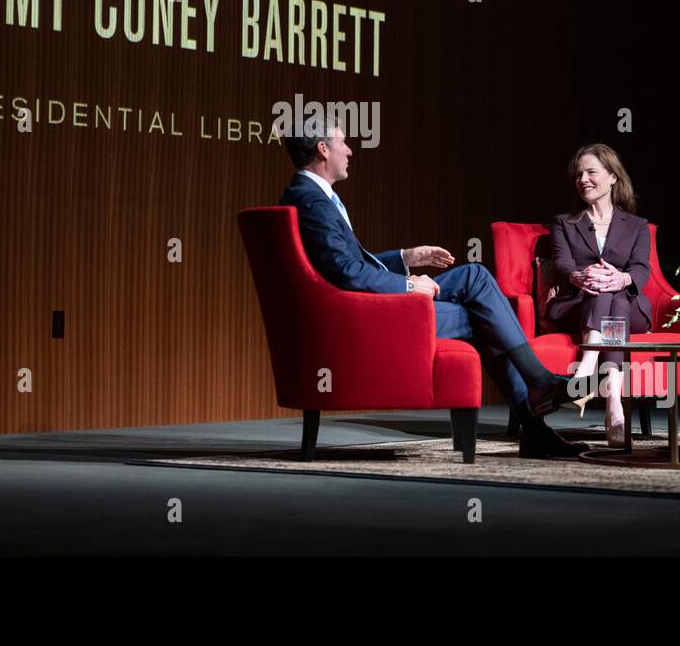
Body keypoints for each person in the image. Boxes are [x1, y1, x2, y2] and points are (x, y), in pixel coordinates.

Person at [278, 122, 587, 458]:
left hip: (368, 306)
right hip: (370, 318)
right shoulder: (311, 200)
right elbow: (347, 273)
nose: (350, 150)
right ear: (323, 149)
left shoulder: (310, 195)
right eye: (343, 142)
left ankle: (537, 404)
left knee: (475, 277)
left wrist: (407, 258)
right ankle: (537, 397)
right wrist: (408, 284)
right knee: (483, 309)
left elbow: (349, 265)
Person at [545, 143, 652, 447]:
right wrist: (579, 275)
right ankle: (614, 407)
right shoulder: (564, 223)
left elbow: (642, 269)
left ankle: (586, 371)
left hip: (629, 307)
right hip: (578, 303)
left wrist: (621, 278)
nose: (583, 179)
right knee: (603, 289)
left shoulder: (636, 225)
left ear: (613, 176)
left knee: (613, 291)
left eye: (591, 171)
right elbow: (563, 262)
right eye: (578, 174)